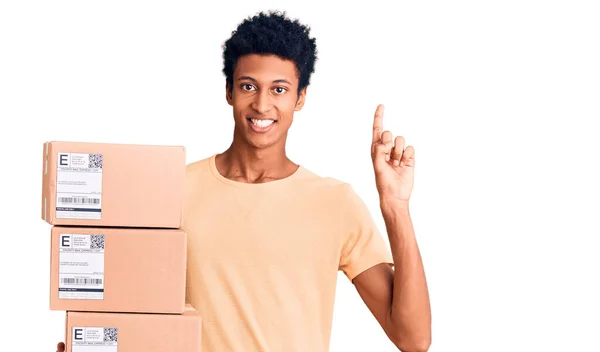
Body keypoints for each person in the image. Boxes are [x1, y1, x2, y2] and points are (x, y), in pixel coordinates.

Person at [56, 10, 431, 352]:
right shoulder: (173, 192)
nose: (262, 105)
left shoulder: (335, 202)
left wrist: (396, 208)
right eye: (249, 86)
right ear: (229, 92)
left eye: (279, 89)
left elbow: (413, 339)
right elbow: (127, 300)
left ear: (300, 98)